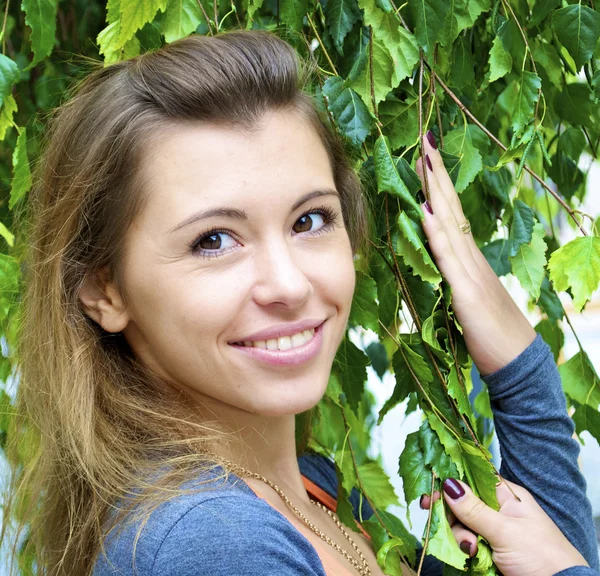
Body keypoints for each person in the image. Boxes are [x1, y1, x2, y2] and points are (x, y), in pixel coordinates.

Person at [4, 29, 598, 576]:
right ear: (103, 290)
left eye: (310, 219)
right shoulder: (214, 541)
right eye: (214, 241)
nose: (288, 285)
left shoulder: (314, 492)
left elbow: (551, 552)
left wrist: (518, 365)